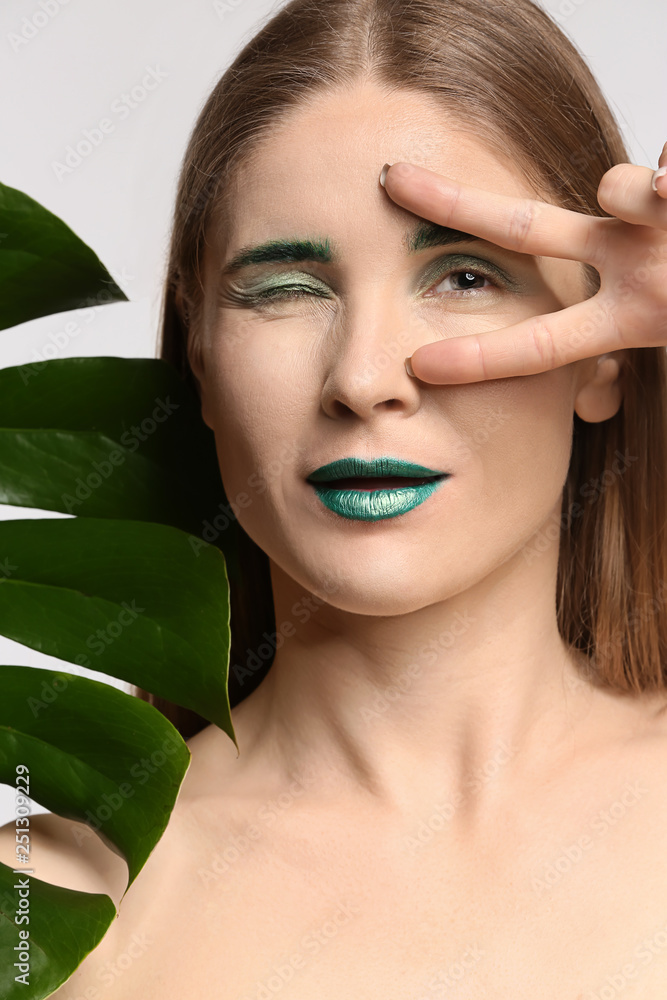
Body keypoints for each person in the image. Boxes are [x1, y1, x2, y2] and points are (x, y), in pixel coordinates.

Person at [3, 0, 667, 996]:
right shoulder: (53, 907)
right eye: (284, 289)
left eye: (465, 276)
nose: (362, 378)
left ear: (604, 350)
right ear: (198, 348)